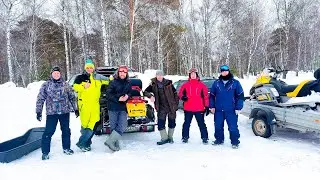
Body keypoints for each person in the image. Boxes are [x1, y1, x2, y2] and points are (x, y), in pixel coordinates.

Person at [36, 66, 79, 160]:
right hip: (52, 113)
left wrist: (76, 109)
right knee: (48, 132)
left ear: (60, 74)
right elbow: (40, 98)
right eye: (54, 73)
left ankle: (66, 148)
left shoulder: (65, 84)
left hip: (64, 112)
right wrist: (38, 111)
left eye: (58, 73)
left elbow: (72, 97)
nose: (56, 74)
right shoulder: (46, 85)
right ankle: (45, 152)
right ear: (51, 74)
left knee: (66, 131)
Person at [73, 59, 109, 152]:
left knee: (94, 123)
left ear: (93, 68)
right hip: (84, 105)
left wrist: (114, 77)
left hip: (95, 105)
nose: (89, 69)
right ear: (85, 68)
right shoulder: (80, 77)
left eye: (91, 67)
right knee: (85, 125)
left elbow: (109, 81)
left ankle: (82, 143)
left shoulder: (98, 77)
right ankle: (86, 144)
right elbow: (74, 87)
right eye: (87, 68)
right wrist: (83, 86)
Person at [209, 65, 244, 149]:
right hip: (218, 110)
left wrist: (238, 107)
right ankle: (219, 139)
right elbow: (212, 96)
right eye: (222, 70)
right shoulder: (216, 83)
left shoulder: (235, 83)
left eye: (226, 70)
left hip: (231, 110)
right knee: (218, 126)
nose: (224, 72)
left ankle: (235, 142)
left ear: (228, 71)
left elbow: (240, 95)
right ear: (221, 72)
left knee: (233, 127)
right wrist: (212, 106)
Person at [143, 70, 179, 145]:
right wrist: (151, 96)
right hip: (161, 106)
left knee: (172, 122)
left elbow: (175, 94)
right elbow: (145, 92)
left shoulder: (169, 83)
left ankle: (170, 138)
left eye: (161, 75)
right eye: (158, 75)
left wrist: (176, 104)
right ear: (156, 76)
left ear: (163, 76)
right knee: (160, 123)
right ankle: (164, 138)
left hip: (171, 106)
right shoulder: (153, 84)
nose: (159, 76)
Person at [178, 68, 210, 144]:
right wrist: (182, 97)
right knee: (186, 123)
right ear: (189, 75)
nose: (193, 75)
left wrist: (207, 106)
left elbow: (206, 96)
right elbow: (180, 93)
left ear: (196, 75)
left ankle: (205, 138)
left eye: (194, 74)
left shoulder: (201, 85)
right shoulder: (185, 85)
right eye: (191, 74)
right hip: (188, 108)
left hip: (199, 108)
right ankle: (185, 137)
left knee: (201, 124)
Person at [104, 65, 132, 151]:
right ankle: (114, 143)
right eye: (121, 71)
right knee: (114, 125)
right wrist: (118, 98)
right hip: (113, 107)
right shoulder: (113, 82)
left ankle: (110, 141)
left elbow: (130, 92)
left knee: (123, 125)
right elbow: (108, 94)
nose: (122, 73)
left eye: (124, 72)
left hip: (123, 107)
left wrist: (127, 96)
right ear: (118, 72)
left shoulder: (128, 83)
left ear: (126, 73)